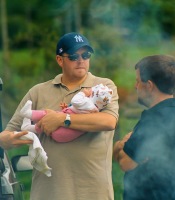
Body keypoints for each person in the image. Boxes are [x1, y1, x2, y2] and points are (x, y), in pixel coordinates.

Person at [1, 32, 119, 200]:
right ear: (59, 60)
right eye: (73, 56)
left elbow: (108, 122)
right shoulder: (37, 92)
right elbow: (8, 133)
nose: (81, 60)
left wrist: (63, 119)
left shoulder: (103, 87)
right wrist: (7, 140)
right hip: (47, 194)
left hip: (94, 193)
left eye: (85, 55)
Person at [113, 55, 175, 200]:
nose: (135, 86)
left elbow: (125, 163)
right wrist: (125, 147)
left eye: (138, 81)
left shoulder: (155, 120)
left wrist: (121, 144)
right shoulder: (172, 112)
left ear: (149, 85)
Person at [20, 84, 113, 142]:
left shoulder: (89, 103)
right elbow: (78, 108)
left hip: (63, 131)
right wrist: (67, 107)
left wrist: (83, 93)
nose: (89, 90)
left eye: (91, 91)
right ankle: (29, 128)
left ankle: (28, 113)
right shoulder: (94, 109)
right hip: (63, 135)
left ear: (93, 95)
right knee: (47, 123)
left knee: (47, 114)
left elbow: (75, 101)